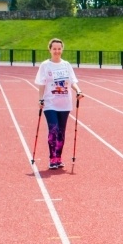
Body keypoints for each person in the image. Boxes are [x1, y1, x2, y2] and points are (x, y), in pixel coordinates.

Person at [34, 38, 83, 169]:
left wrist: (78, 91)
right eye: (54, 48)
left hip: (65, 104)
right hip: (50, 103)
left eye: (59, 48)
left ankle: (58, 158)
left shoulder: (66, 65)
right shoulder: (45, 65)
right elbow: (42, 84)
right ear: (50, 49)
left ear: (62, 49)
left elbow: (72, 82)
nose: (57, 51)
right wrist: (40, 99)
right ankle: (52, 158)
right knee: (53, 130)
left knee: (61, 132)